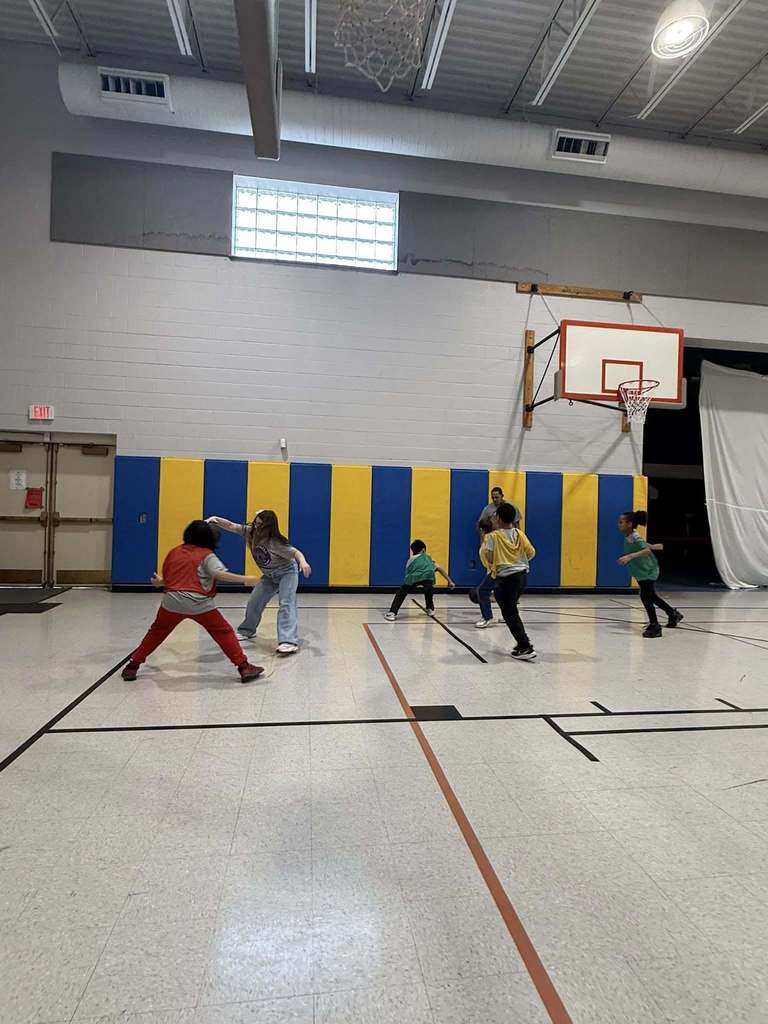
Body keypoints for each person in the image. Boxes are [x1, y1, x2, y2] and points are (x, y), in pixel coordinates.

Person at [121, 520, 264, 683]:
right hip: (199, 603)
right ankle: (244, 667)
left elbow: (170, 579)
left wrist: (159, 582)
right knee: (223, 632)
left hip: (171, 602)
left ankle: (132, 666)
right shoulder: (207, 555)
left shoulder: (174, 552)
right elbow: (219, 574)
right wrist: (247, 579)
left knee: (156, 633)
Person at [206, 510, 311, 655]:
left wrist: (303, 562)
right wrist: (216, 519)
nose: (257, 527)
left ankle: (288, 641)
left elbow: (295, 553)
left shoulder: (275, 542)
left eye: (261, 525)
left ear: (269, 527)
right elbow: (231, 525)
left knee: (286, 603)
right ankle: (247, 630)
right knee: (254, 601)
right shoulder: (250, 532)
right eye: (256, 523)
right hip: (269, 575)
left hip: (287, 573)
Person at [481, 502, 536, 661]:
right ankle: (521, 645)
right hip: (521, 577)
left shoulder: (492, 536)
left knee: (510, 613)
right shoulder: (519, 533)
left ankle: (525, 646)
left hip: (506, 578)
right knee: (511, 610)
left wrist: (500, 560)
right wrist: (518, 560)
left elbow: (490, 558)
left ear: (497, 518)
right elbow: (531, 552)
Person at [617, 511, 683, 639]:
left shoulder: (635, 537)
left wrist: (630, 556)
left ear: (629, 524)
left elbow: (645, 551)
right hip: (642, 570)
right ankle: (673, 614)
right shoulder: (630, 535)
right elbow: (644, 546)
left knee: (645, 596)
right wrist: (652, 545)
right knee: (651, 595)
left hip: (648, 570)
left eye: (621, 522)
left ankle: (655, 625)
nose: (618, 525)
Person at [385, 539, 455, 619]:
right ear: (423, 550)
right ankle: (430, 609)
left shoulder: (410, 560)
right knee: (430, 586)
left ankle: (392, 613)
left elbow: (408, 574)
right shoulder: (429, 559)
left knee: (401, 592)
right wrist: (450, 581)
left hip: (413, 586)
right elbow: (440, 569)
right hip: (426, 587)